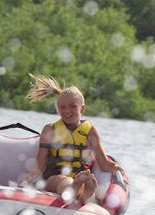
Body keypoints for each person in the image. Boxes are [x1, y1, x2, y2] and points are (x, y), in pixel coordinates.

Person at [24, 74, 121, 204]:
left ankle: (82, 189)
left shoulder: (90, 131)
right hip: (55, 178)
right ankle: (81, 191)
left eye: (73, 106)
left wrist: (117, 168)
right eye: (62, 107)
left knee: (81, 182)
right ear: (58, 109)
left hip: (81, 176)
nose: (67, 111)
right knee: (64, 182)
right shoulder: (50, 129)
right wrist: (27, 182)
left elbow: (103, 164)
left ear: (83, 108)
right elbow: (40, 162)